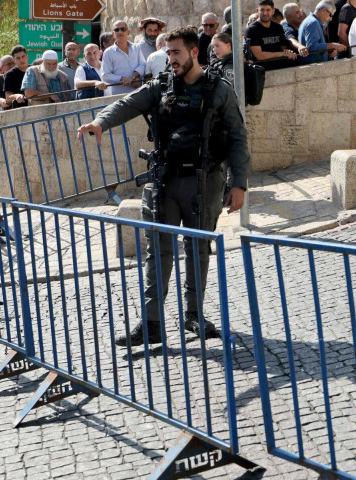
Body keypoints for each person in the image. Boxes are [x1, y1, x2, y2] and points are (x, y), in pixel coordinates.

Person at [77, 27, 249, 346]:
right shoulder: (160, 86)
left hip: (205, 181)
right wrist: (100, 122)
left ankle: (193, 315)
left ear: (194, 52)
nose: (171, 59)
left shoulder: (219, 89)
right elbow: (127, 104)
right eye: (168, 53)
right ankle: (152, 323)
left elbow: (238, 138)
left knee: (198, 249)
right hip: (164, 180)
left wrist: (238, 183)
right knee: (158, 250)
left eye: (177, 52)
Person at [246, 0, 299, 69]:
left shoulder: (278, 27)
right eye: (262, 10)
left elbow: (283, 48)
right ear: (257, 11)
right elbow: (259, 56)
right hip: (262, 71)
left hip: (281, 68)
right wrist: (281, 54)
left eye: (268, 10)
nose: (265, 13)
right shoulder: (252, 30)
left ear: (273, 11)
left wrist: (289, 53)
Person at [101, 20, 146, 95]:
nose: (120, 32)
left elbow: (143, 65)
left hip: (138, 93)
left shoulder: (136, 47)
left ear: (128, 32)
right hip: (119, 95)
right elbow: (105, 75)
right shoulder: (108, 52)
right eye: (116, 30)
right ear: (113, 34)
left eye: (123, 29)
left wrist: (132, 78)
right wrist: (122, 79)